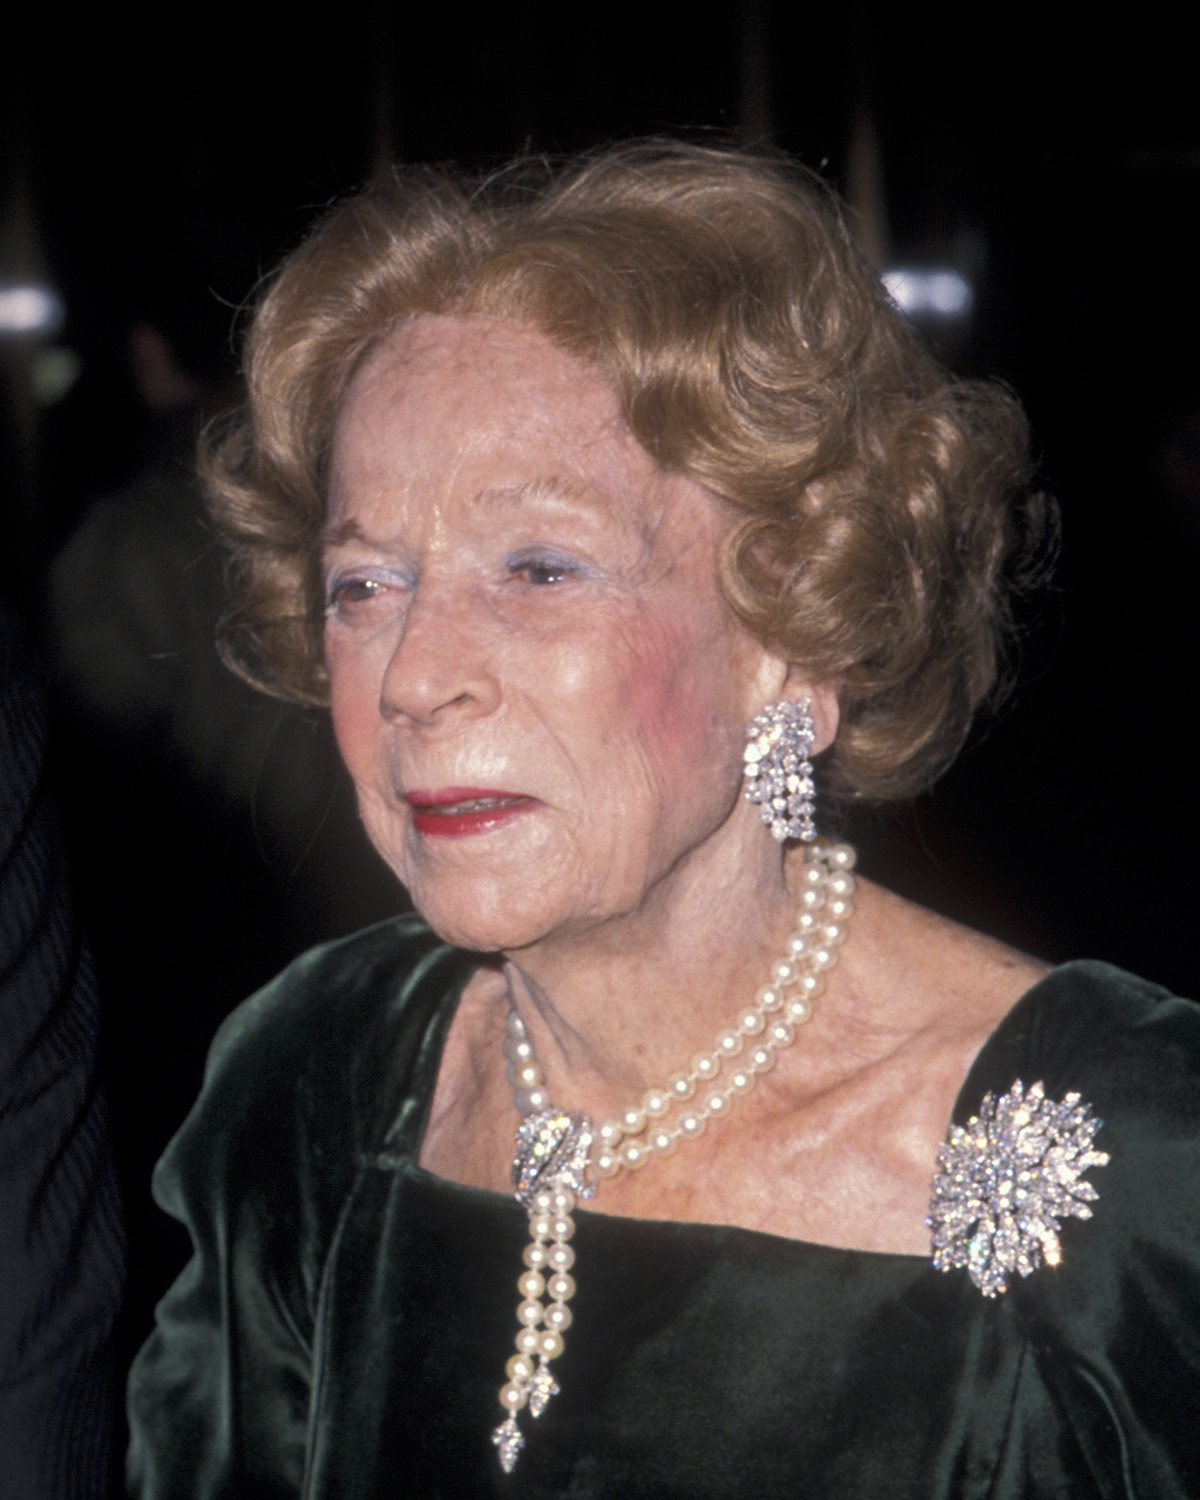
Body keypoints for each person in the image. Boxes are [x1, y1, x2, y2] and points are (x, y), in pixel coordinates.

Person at [126, 141, 1200, 1498]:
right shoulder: (312, 1078)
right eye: (363, 585)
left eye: (539, 567)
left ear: (791, 630)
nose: (412, 675)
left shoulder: (1133, 1163)